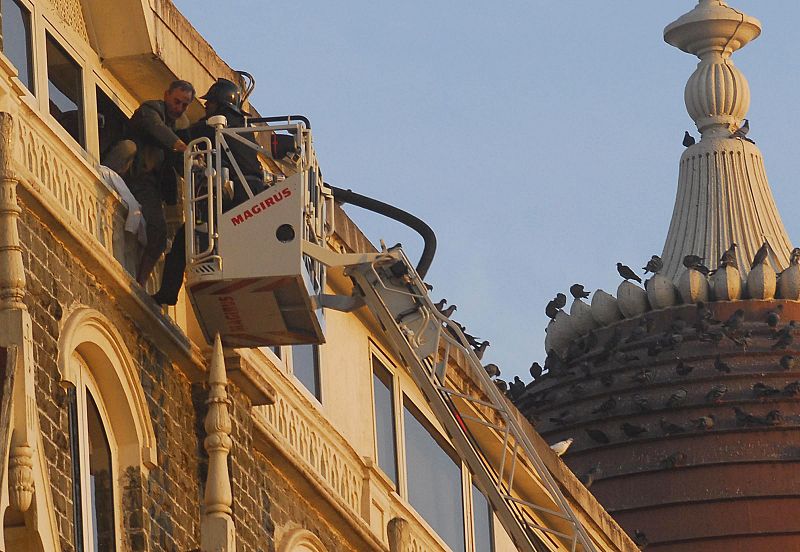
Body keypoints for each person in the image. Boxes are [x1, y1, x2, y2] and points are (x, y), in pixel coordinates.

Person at [151, 78, 265, 305]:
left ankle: (167, 293)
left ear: (221, 105)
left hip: (232, 195)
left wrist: (167, 137)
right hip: (250, 196)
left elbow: (185, 139)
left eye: (210, 102)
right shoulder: (243, 129)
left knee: (186, 239)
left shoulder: (217, 125)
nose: (206, 106)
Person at [103, 80, 195, 286]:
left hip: (147, 183)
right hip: (129, 171)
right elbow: (156, 128)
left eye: (184, 105)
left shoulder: (182, 125)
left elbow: (182, 163)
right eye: (177, 101)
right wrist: (181, 146)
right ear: (166, 95)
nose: (179, 108)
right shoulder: (150, 110)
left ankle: (141, 281)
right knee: (128, 147)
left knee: (159, 233)